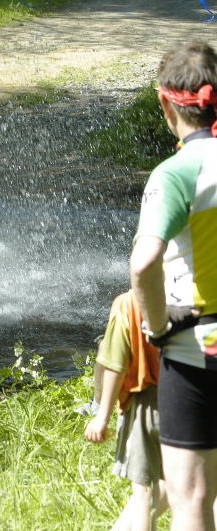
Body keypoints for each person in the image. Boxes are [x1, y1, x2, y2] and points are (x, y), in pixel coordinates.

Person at [129, 40, 217, 530]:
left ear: (166, 104)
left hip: (197, 350)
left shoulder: (175, 173)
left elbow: (144, 266)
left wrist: (157, 325)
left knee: (191, 499)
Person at [84, 291, 167, 530]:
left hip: (144, 405)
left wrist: (102, 416)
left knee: (142, 494)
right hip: (184, 397)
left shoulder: (128, 304)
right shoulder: (186, 297)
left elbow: (114, 365)